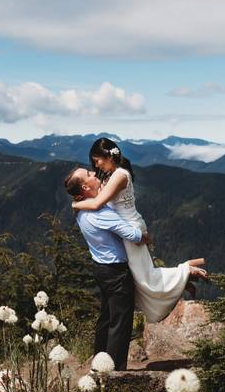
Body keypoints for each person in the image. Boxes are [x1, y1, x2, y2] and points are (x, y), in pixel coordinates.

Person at [72, 137, 208, 322]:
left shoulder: (120, 175)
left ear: (108, 156)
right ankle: (184, 279)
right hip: (127, 227)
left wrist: (76, 204)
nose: (96, 166)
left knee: (145, 278)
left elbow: (96, 203)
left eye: (97, 161)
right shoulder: (112, 175)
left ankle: (185, 272)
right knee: (138, 277)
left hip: (130, 228)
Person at [64, 166, 147, 370]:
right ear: (85, 185)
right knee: (120, 322)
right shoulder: (99, 212)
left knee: (107, 318)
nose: (94, 174)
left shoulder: (81, 207)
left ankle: (98, 362)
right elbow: (133, 235)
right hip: (116, 271)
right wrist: (146, 237)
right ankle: (114, 373)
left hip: (101, 268)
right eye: (90, 175)